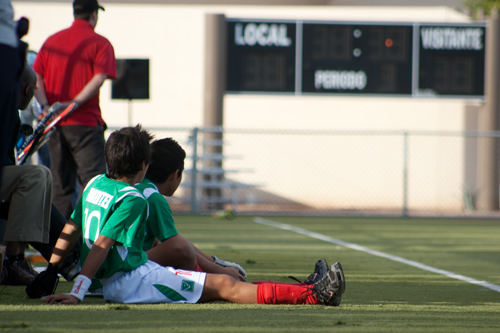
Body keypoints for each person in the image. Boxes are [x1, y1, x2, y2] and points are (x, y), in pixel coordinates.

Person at [27, 125, 345, 306]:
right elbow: (102, 244)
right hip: (124, 281)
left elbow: (71, 226)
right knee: (224, 286)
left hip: (119, 274)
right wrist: (78, 293)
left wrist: (53, 271)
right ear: (142, 166)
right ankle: (314, 296)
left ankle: (307, 290)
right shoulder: (134, 199)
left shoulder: (96, 182)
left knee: (219, 281)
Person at [33, 0, 116, 219]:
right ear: (94, 15)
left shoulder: (52, 41)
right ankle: (90, 243)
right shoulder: (100, 42)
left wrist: (45, 107)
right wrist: (75, 103)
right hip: (85, 124)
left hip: (54, 124)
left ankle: (62, 248)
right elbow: (99, 77)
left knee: (60, 188)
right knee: (95, 186)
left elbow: (35, 77)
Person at [1, 64, 81, 285]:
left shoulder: (10, 112)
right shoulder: (6, 110)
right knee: (36, 176)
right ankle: (13, 260)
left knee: (39, 177)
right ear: (28, 91)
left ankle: (67, 260)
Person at [138, 138, 246, 282]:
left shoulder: (134, 186)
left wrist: (213, 263)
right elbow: (176, 246)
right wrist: (221, 272)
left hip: (106, 266)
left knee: (164, 241)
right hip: (123, 272)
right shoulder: (154, 198)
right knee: (179, 249)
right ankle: (207, 280)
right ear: (175, 174)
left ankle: (214, 264)